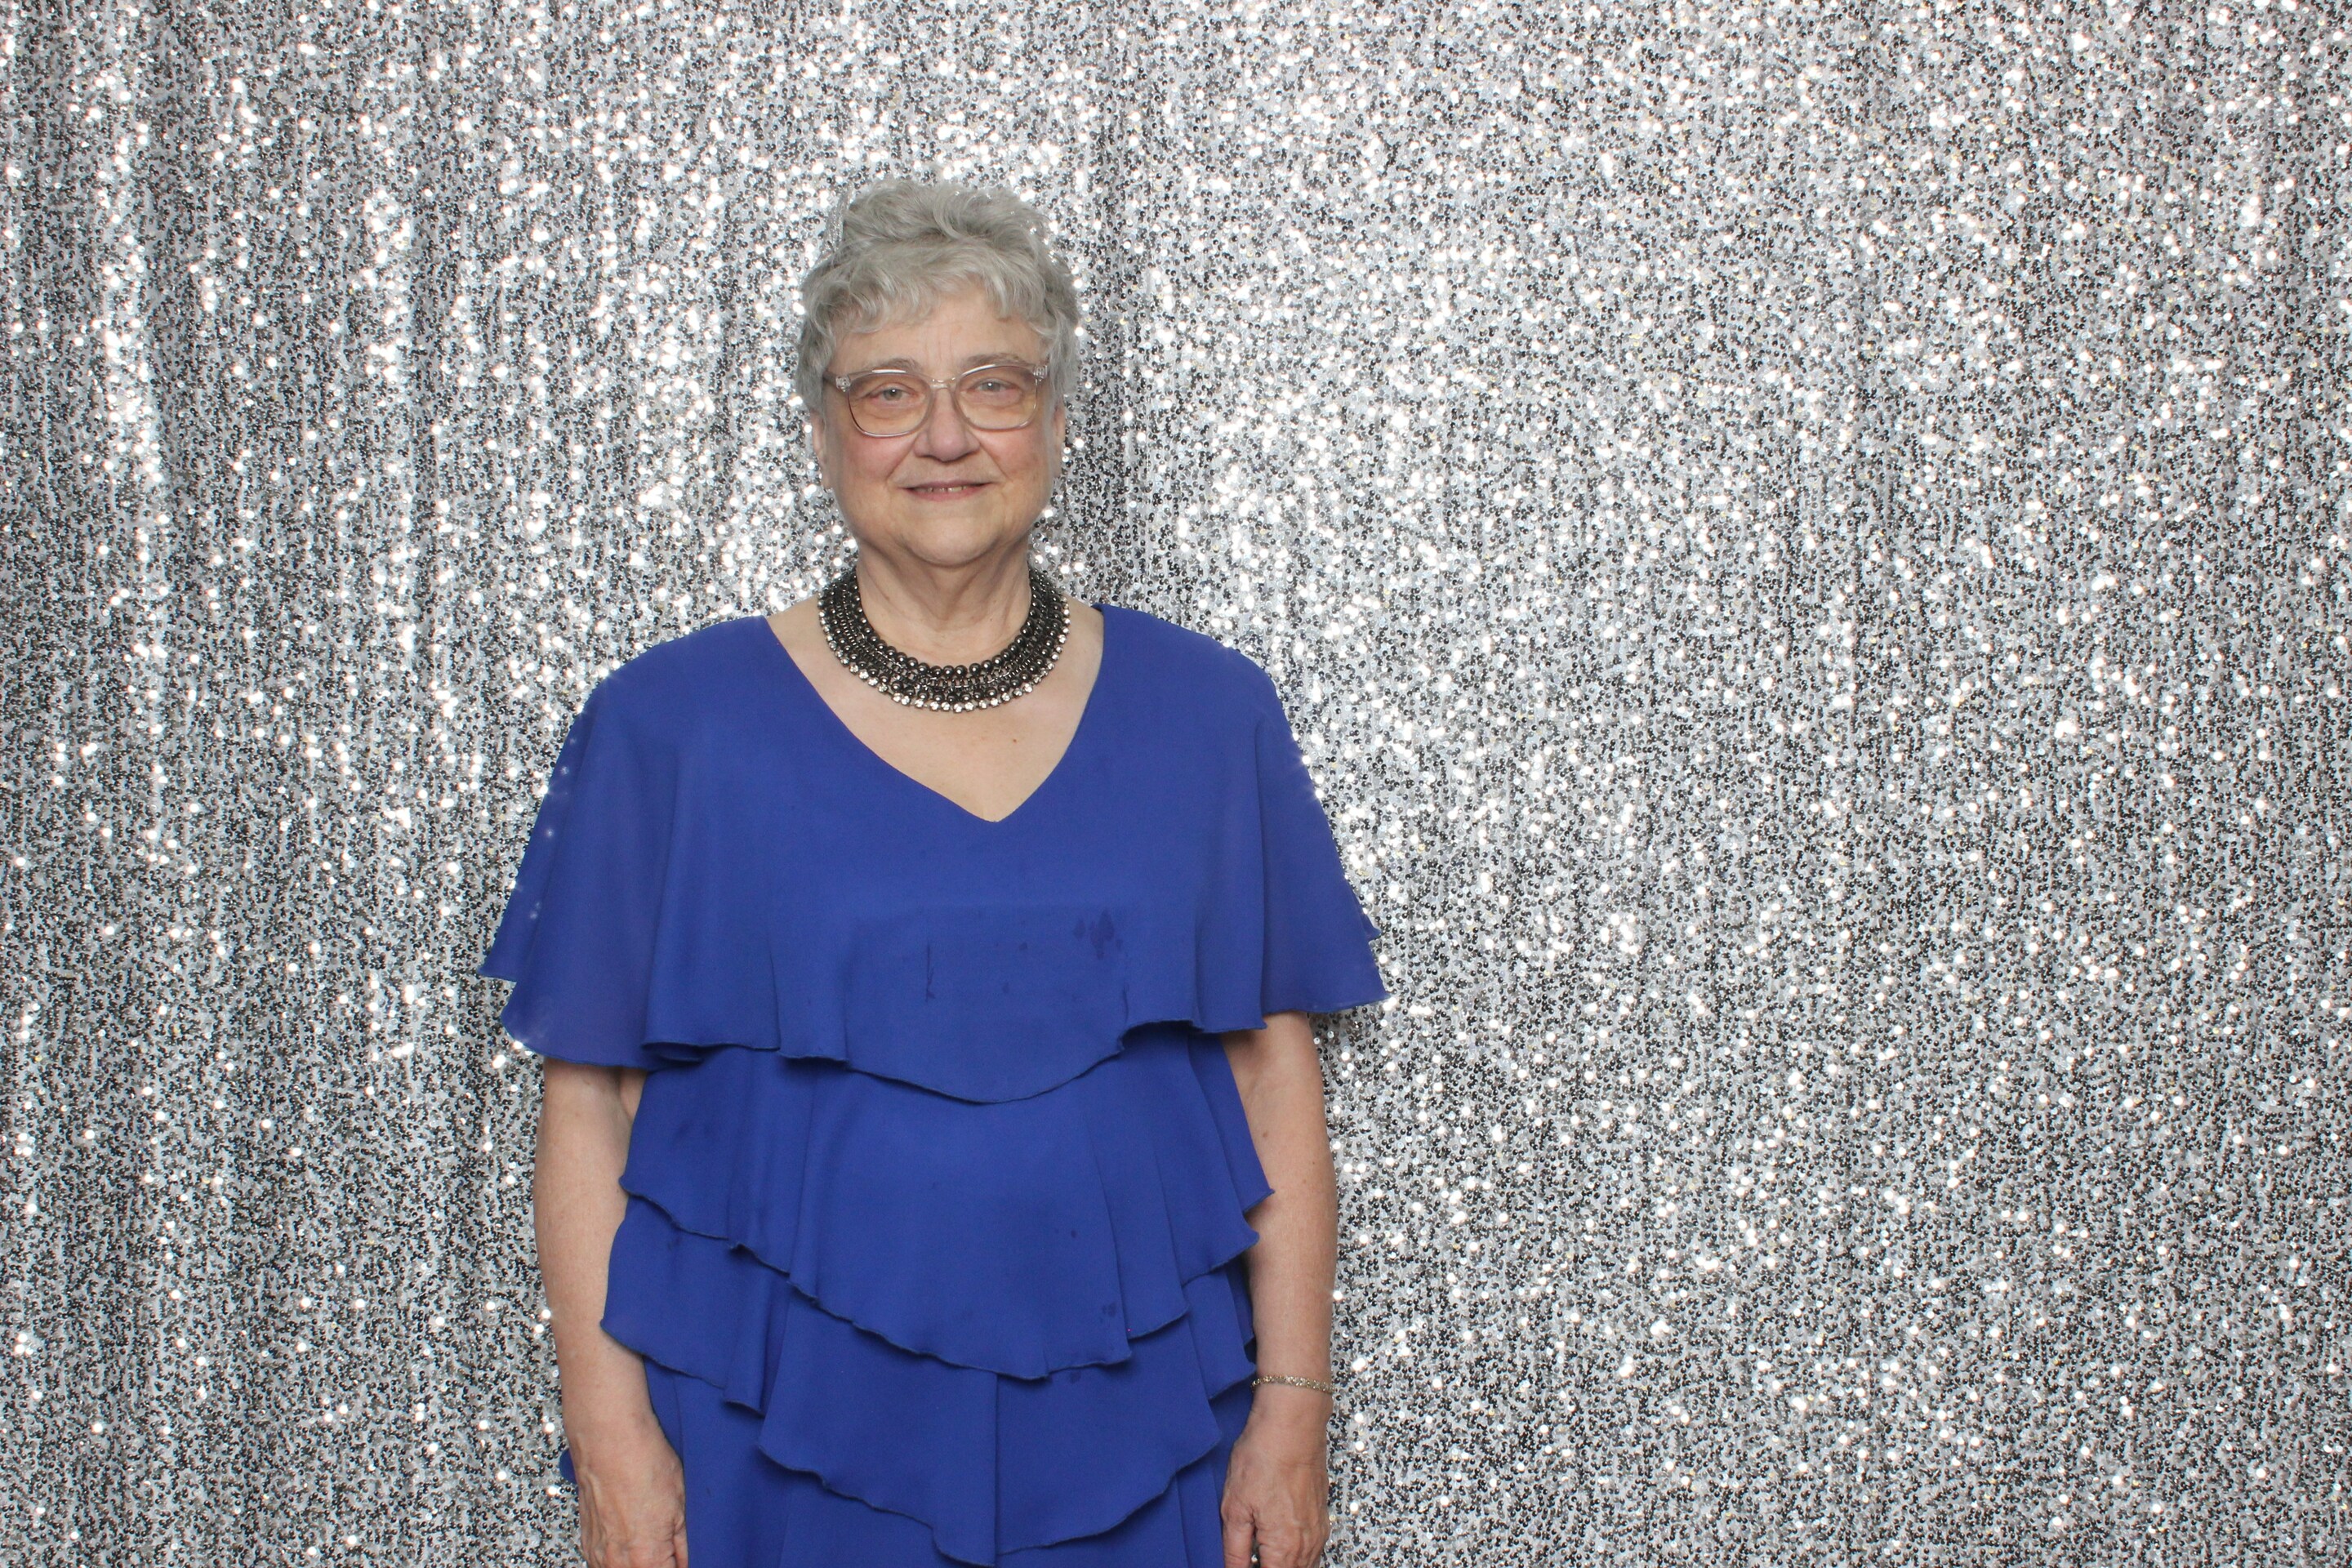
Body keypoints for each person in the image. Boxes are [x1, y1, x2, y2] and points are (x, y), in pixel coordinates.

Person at [479, 177, 1387, 1568]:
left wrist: (1294, 1413)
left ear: (1058, 421)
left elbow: (1275, 1083)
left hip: (1147, 1437)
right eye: (889, 392)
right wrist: (608, 1442)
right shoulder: (670, 727)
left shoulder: (1210, 714)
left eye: (995, 387)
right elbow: (588, 1104)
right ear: (824, 431)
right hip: (765, 1437)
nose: (946, 437)